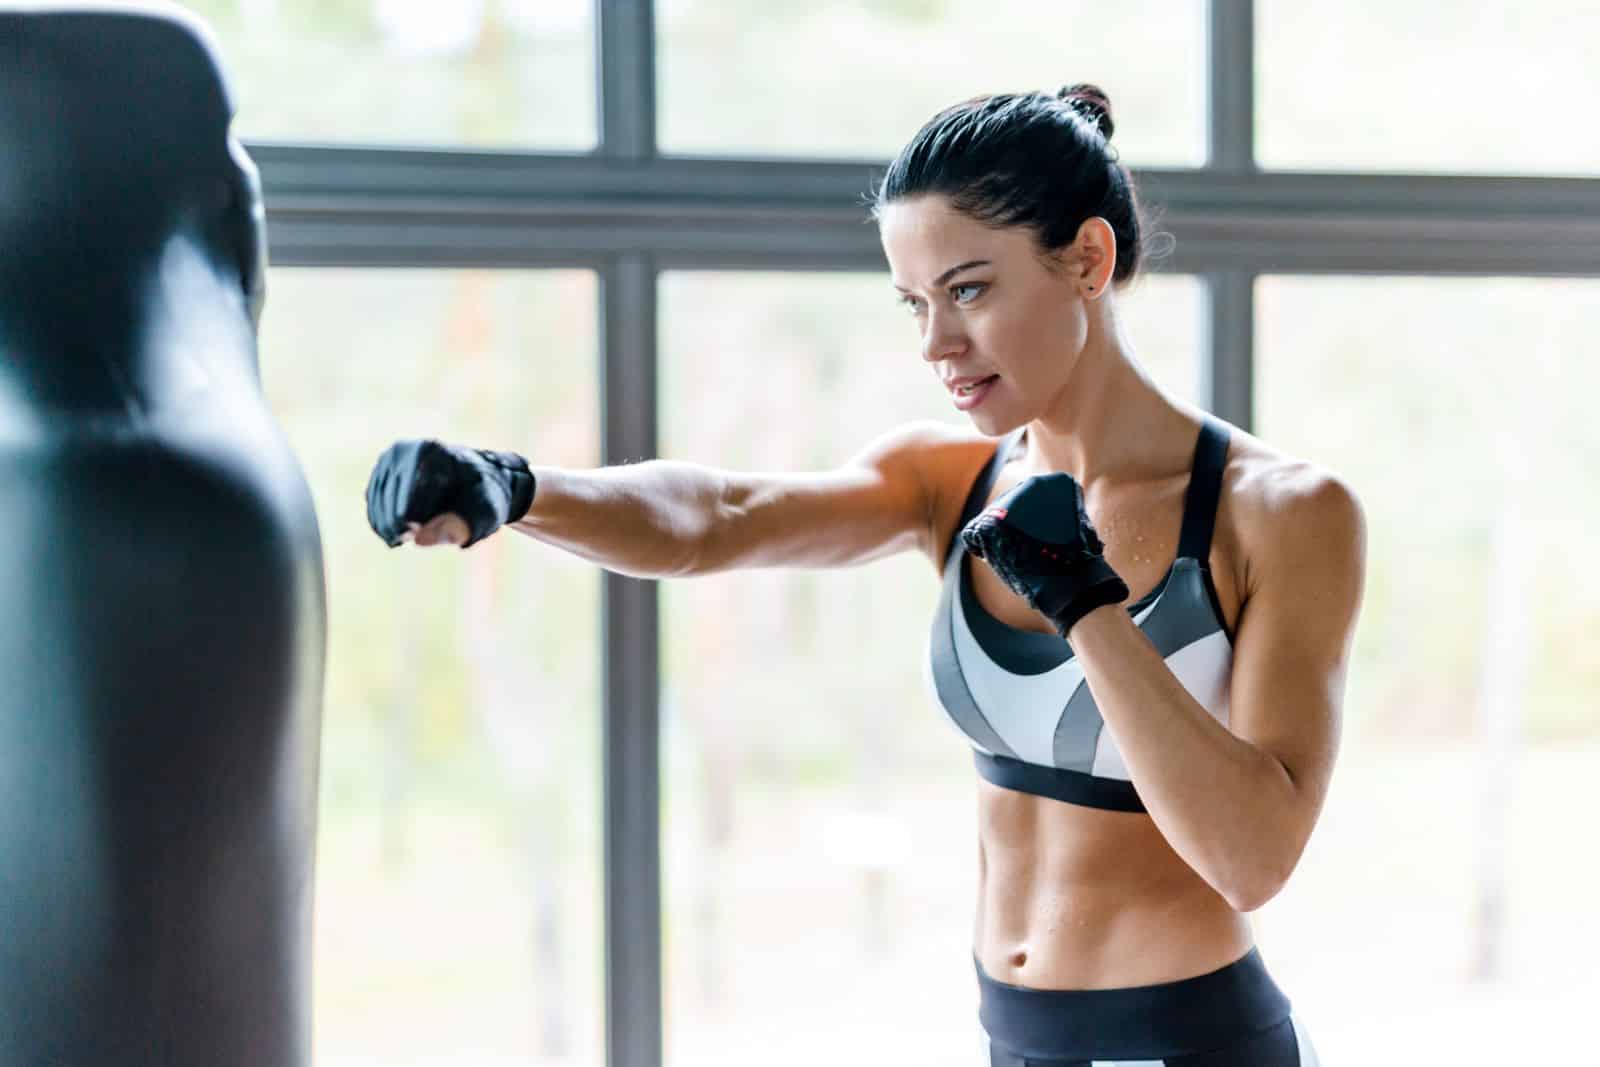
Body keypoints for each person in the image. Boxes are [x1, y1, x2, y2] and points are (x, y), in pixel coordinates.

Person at [364, 83, 1366, 1066]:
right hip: (1012, 1039)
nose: (936, 342)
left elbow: (1253, 856)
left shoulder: (1279, 511)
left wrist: (1085, 602)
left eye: (968, 288)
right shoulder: (951, 481)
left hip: (1191, 1043)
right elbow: (720, 516)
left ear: (1087, 259)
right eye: (915, 303)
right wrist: (518, 486)